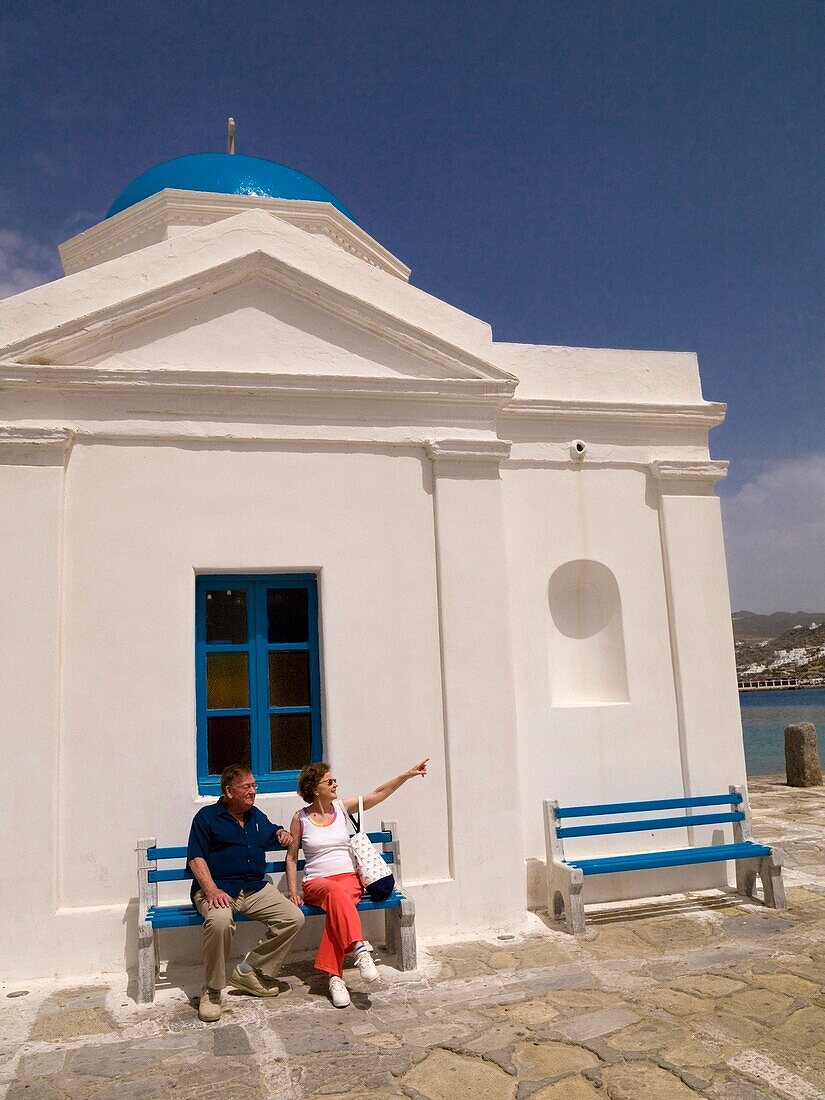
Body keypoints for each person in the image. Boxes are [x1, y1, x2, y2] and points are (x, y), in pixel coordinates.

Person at [286, 758, 428, 1008]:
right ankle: (360, 949)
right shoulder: (300, 818)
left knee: (337, 909)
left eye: (334, 780)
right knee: (333, 892)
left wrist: (407, 775)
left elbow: (377, 794)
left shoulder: (342, 808)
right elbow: (291, 856)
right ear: (314, 788)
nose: (335, 784)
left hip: (349, 880)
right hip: (317, 883)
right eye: (329, 781)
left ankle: (335, 978)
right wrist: (293, 890)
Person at [187, 763, 305, 1022]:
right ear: (229, 791)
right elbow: (196, 858)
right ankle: (213, 990)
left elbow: (272, 832)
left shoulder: (255, 815)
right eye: (247, 787)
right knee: (219, 922)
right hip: (218, 889)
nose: (253, 791)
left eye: (254, 786)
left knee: (293, 917)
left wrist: (281, 833)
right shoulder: (206, 818)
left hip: (253, 887)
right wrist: (211, 890)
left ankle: (249, 970)